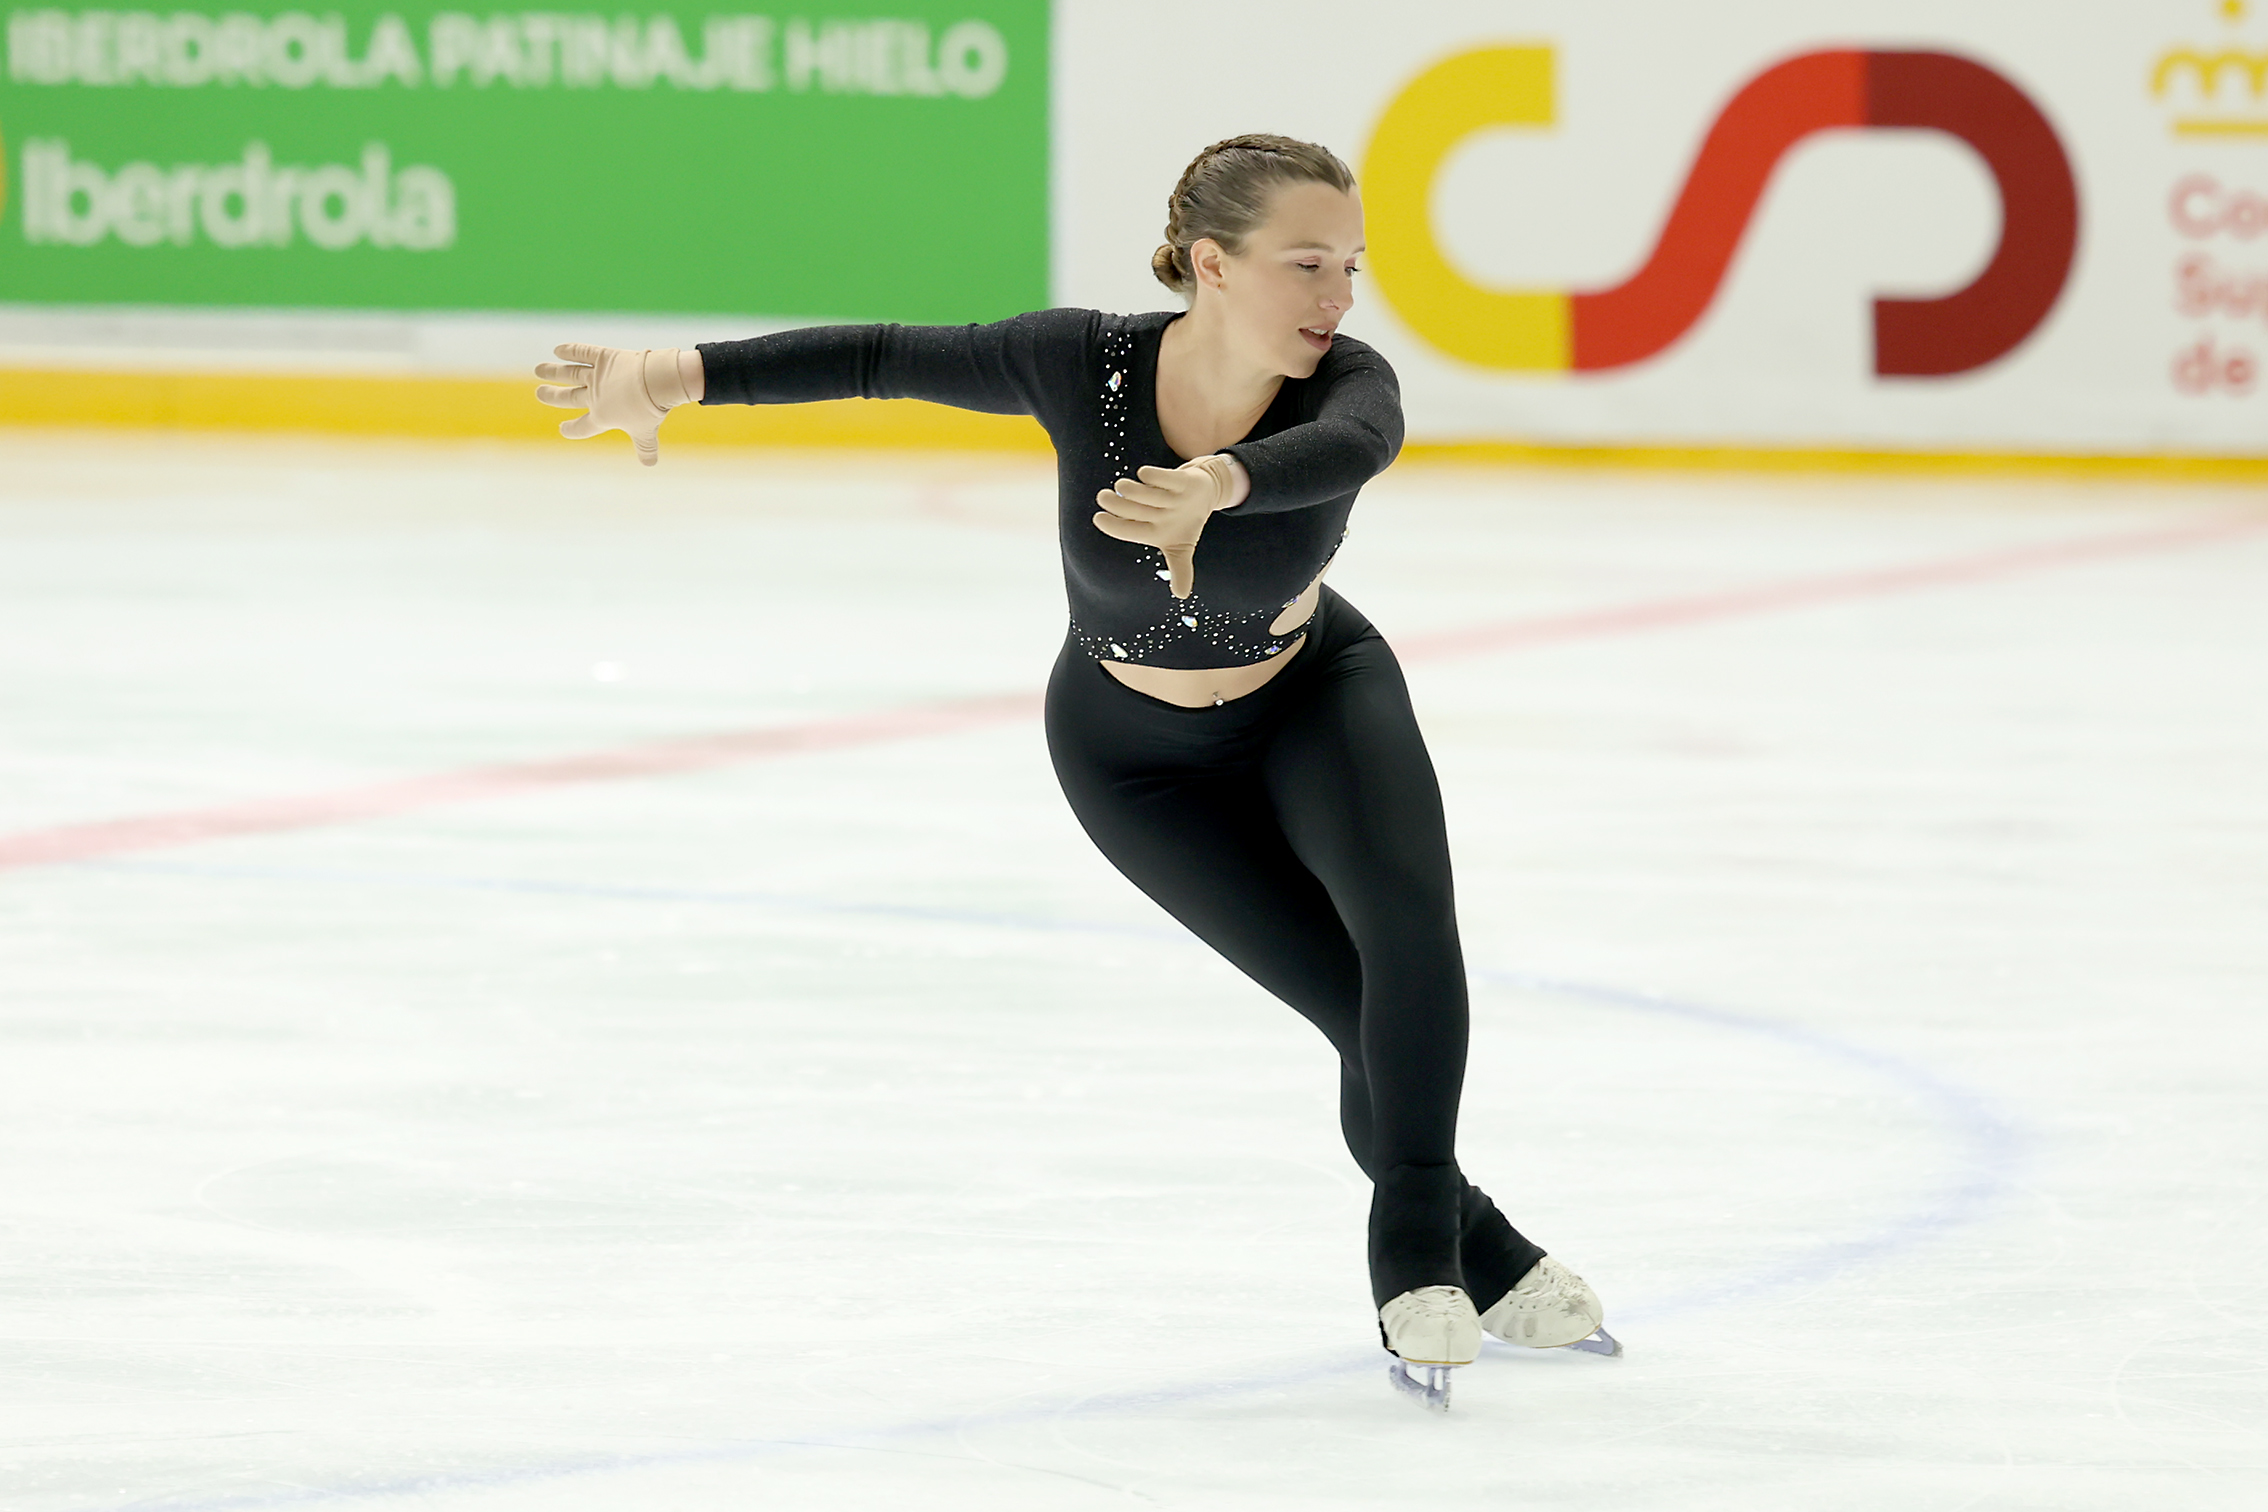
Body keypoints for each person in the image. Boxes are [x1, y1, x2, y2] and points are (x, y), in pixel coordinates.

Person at [535, 133, 1613, 1409]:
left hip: (1317, 695)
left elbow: (1356, 450)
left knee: (1410, 944)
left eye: (1353, 266)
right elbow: (883, 357)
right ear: (1212, 265)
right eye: (1307, 264)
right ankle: (1479, 1242)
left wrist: (1221, 480)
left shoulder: (1348, 386)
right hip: (1133, 761)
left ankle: (1412, 1253)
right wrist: (668, 375)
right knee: (1350, 1006)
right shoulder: (1084, 365)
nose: (1339, 297)